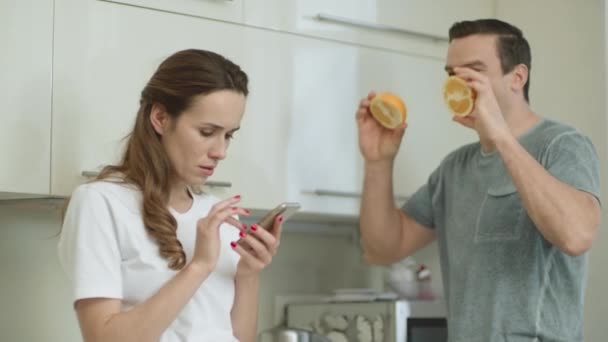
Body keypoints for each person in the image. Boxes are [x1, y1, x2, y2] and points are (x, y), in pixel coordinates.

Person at [356, 19, 601, 341]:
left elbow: (577, 236)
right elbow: (382, 250)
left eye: (474, 70)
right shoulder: (454, 169)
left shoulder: (562, 144)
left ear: (517, 77)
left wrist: (501, 135)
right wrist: (378, 162)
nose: (459, 83)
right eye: (452, 75)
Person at [58, 49, 283, 342]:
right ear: (161, 118)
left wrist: (248, 273)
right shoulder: (101, 203)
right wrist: (199, 266)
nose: (220, 152)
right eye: (206, 131)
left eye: (228, 135)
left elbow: (239, 337)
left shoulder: (216, 213)